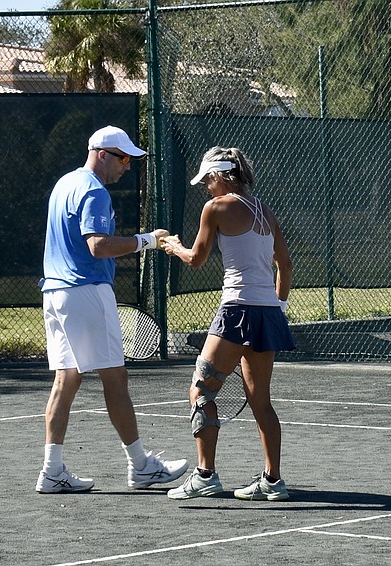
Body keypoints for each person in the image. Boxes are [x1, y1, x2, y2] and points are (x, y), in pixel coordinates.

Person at [36, 125, 188, 494]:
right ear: (102, 154)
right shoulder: (93, 190)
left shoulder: (64, 184)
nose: (127, 166)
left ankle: (51, 471)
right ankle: (141, 466)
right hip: (85, 292)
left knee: (66, 380)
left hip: (55, 294)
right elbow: (99, 246)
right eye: (123, 158)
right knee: (115, 379)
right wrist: (149, 240)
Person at [161, 146, 295, 501]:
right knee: (260, 401)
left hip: (237, 310)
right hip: (266, 313)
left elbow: (196, 259)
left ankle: (204, 475)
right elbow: (285, 264)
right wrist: (277, 306)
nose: (206, 187)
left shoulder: (215, 208)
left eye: (208, 179)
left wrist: (171, 245)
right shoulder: (264, 210)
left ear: (220, 175)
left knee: (201, 388)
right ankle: (273, 481)